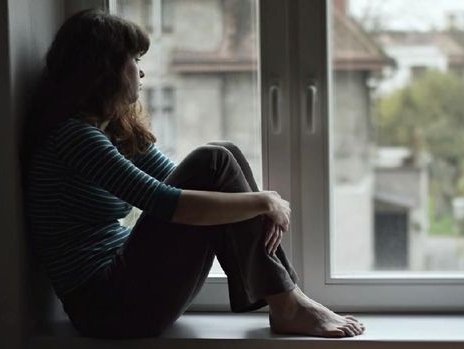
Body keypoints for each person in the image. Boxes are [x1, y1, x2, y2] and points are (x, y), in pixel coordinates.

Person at [22, 8, 364, 339]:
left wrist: (255, 203)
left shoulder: (112, 131)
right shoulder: (74, 137)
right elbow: (167, 202)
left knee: (223, 155)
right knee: (213, 160)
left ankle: (286, 300)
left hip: (125, 292)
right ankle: (287, 303)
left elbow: (180, 181)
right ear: (105, 69)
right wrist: (262, 201)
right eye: (135, 61)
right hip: (107, 308)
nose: (141, 74)